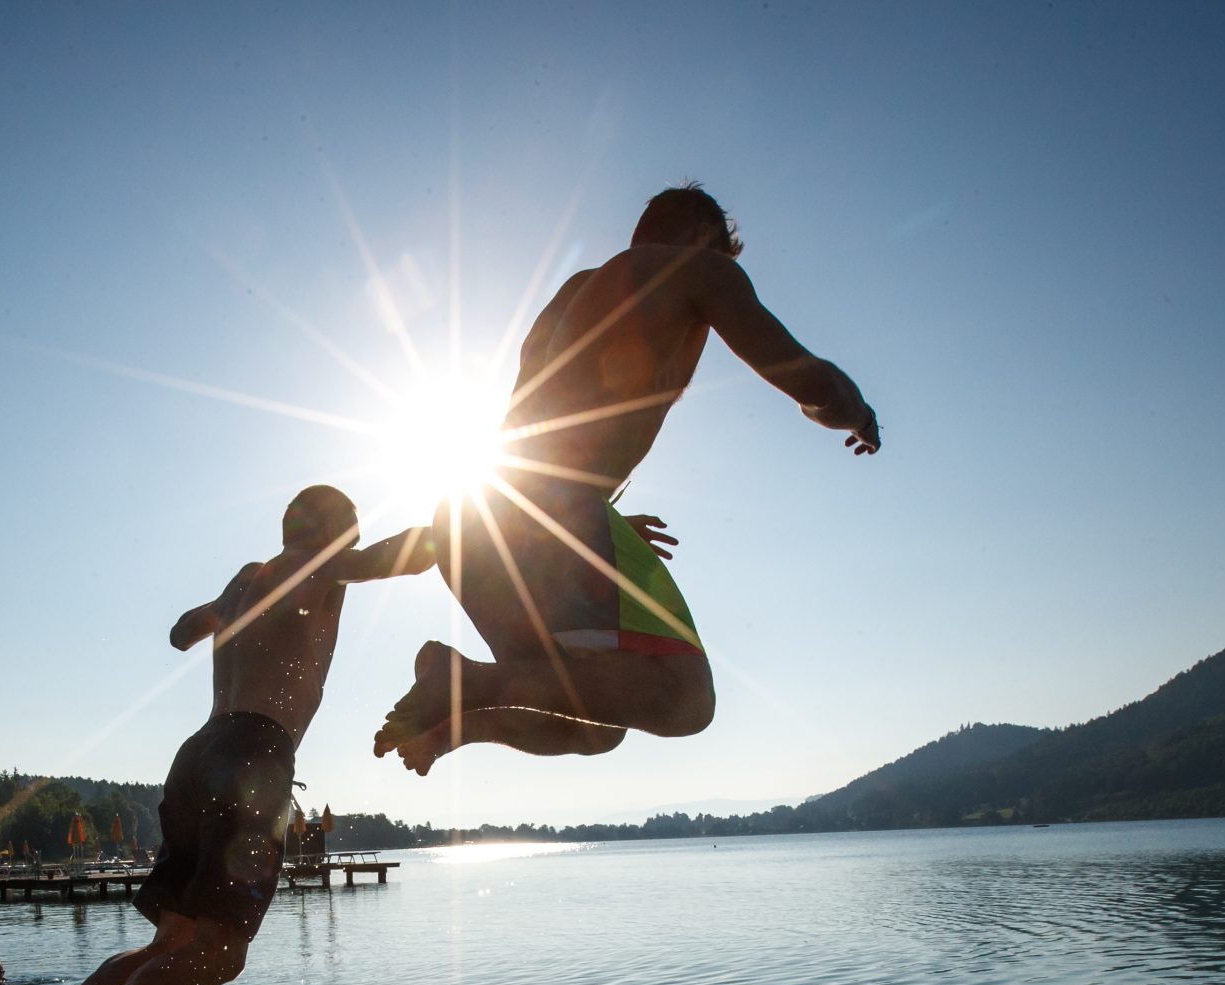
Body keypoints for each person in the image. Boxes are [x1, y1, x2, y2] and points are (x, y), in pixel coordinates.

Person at [0, 486, 440, 985]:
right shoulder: (323, 565)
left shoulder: (246, 580)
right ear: (337, 530)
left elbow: (179, 631)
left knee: (169, 945)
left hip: (196, 757)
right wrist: (478, 526)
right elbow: (404, 557)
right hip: (253, 755)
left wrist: (223, 614)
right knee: (221, 955)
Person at [374, 181, 881, 775]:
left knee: (597, 724)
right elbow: (810, 384)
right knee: (686, 700)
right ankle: (466, 685)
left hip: (473, 511)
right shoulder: (698, 269)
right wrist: (859, 412)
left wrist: (599, 523)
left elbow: (549, 422)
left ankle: (451, 723)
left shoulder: (573, 293)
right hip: (553, 511)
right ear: (701, 235)